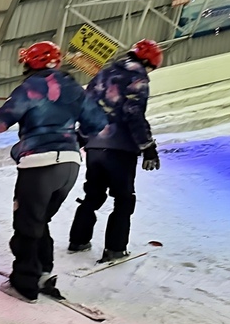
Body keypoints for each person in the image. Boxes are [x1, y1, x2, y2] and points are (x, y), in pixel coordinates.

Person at [0, 41, 107, 303]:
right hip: (70, 164)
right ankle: (43, 272)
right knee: (40, 220)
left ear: (31, 63)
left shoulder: (31, 87)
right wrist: (76, 139)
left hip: (39, 164)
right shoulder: (74, 88)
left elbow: (3, 118)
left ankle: (24, 284)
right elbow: (98, 121)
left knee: (27, 224)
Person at [68, 40, 163, 262]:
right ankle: (115, 248)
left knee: (93, 195)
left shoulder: (104, 73)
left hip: (94, 145)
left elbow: (86, 108)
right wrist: (148, 146)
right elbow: (133, 113)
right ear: (149, 63)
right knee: (123, 199)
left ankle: (78, 241)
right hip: (120, 148)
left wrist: (83, 137)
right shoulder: (137, 77)